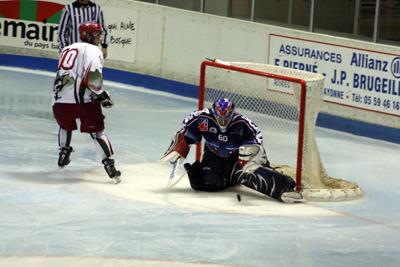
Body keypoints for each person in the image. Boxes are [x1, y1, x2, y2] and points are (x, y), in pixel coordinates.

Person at [161, 98, 304, 203]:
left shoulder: (243, 123)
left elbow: (257, 142)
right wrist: (180, 148)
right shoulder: (201, 118)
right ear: (214, 113)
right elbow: (185, 134)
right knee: (208, 185)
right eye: (220, 118)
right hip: (214, 154)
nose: (223, 122)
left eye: (226, 118)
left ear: (232, 113)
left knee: (247, 175)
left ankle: (286, 187)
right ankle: (231, 176)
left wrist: (250, 159)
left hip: (239, 157)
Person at [52, 21, 121, 183]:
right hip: (82, 104)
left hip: (58, 103)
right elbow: (93, 79)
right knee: (97, 133)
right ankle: (110, 166)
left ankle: (63, 153)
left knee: (65, 125)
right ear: (89, 36)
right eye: (97, 35)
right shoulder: (93, 50)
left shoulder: (67, 49)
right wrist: (103, 96)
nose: (99, 38)